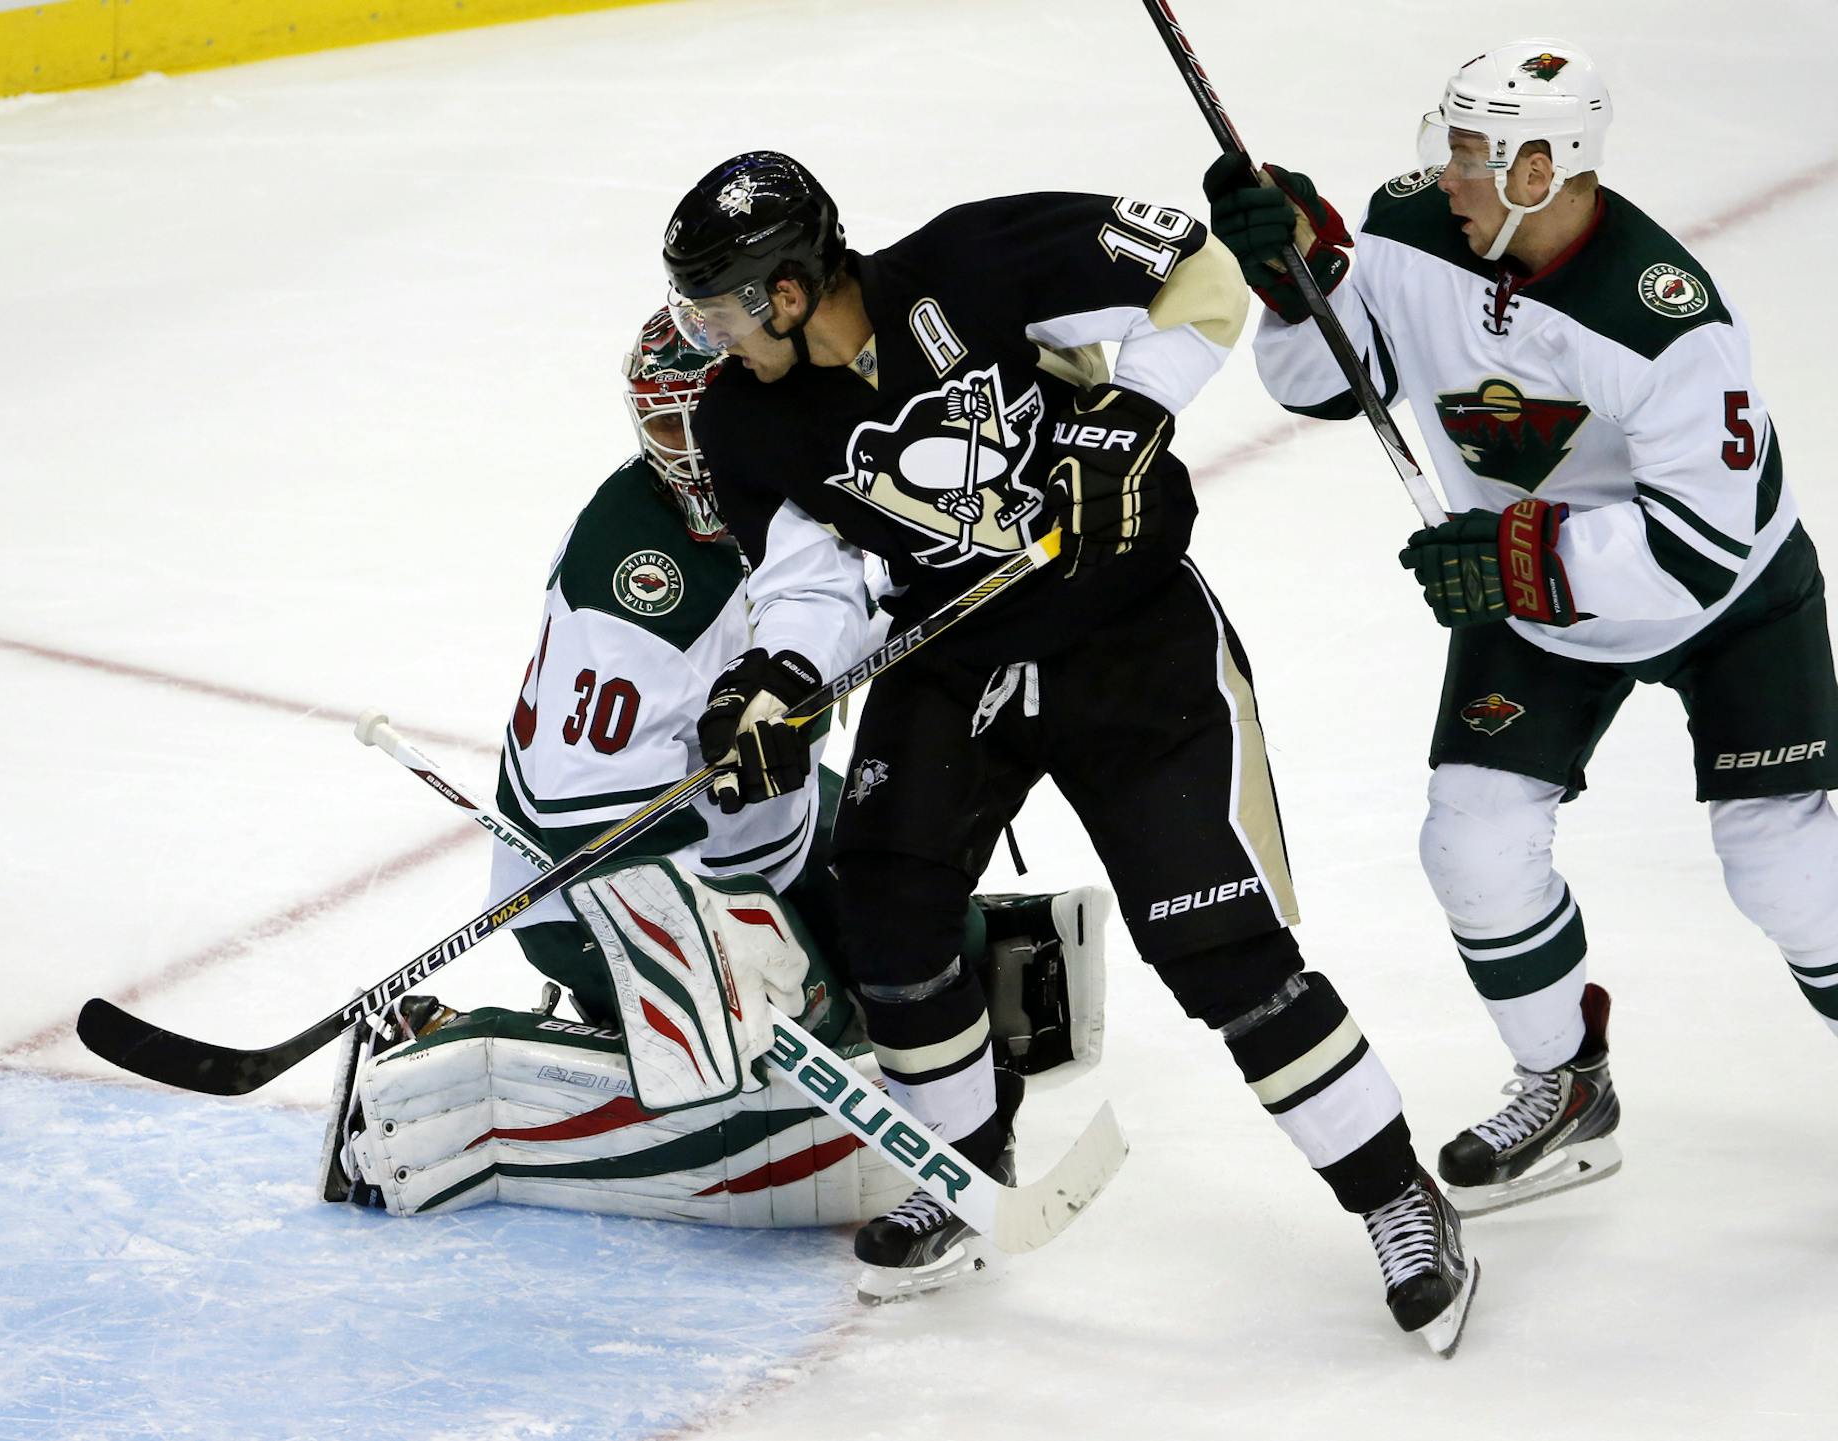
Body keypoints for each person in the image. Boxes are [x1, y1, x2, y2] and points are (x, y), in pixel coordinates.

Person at [661, 152, 1474, 1351]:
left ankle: (1396, 1193)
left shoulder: (969, 262)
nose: (712, 339)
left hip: (1128, 638)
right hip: (956, 656)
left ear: (788, 289)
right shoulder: (741, 417)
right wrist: (777, 676)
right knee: (887, 906)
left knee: (1220, 948)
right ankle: (961, 1166)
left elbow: (1198, 271)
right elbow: (813, 577)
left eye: (720, 312)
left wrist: (1128, 414)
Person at [319, 309, 1110, 1254]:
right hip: (611, 879)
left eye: (707, 416)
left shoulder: (812, 472)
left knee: (941, 939)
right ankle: (447, 1042)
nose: (692, 451)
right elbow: (576, 813)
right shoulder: (634, 580)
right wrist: (707, 941)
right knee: (803, 1059)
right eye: (667, 423)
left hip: (764, 826)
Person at [1205, 38, 1838, 1216]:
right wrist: (1302, 279)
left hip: (1729, 604)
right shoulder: (1414, 228)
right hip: (1530, 589)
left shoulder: (1666, 320)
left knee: (1785, 864)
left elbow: (1697, 552)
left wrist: (1511, 559)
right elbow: (1327, 383)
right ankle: (1568, 1082)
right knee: (1474, 848)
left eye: (1471, 156)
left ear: (1541, 168)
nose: (1445, 175)